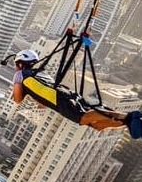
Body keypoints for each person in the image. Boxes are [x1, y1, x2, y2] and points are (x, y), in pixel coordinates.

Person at [11, 49, 142, 138]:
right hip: (65, 96)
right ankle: (129, 123)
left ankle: (131, 116)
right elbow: (42, 101)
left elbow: (17, 99)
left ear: (21, 64)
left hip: (60, 100)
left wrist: (20, 90)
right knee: (97, 125)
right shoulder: (37, 74)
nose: (15, 68)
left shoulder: (20, 75)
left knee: (84, 117)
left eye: (16, 64)